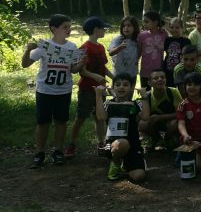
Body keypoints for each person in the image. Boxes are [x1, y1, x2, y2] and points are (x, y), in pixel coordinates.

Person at [22, 14, 85, 168]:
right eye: (65, 27)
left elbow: (73, 69)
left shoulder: (71, 47)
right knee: (43, 122)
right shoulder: (44, 46)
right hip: (45, 90)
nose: (69, 30)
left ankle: (58, 151)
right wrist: (27, 50)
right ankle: (39, 152)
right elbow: (25, 64)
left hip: (63, 90)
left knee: (61, 122)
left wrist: (81, 63)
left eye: (69, 27)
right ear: (53, 29)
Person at [68, 16, 113, 158]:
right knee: (80, 117)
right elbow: (82, 70)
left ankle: (101, 143)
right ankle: (71, 144)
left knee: (100, 117)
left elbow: (103, 67)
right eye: (102, 28)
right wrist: (95, 77)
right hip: (87, 89)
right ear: (96, 30)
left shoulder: (101, 47)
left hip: (100, 89)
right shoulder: (85, 48)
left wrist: (114, 77)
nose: (104, 30)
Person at [95, 73, 150, 182]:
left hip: (133, 144)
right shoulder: (108, 103)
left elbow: (145, 117)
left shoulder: (135, 104)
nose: (121, 87)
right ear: (113, 88)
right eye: (118, 84)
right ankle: (115, 163)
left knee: (139, 177)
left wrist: (144, 97)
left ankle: (127, 163)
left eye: (125, 85)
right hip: (113, 145)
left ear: (131, 88)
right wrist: (98, 95)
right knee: (122, 143)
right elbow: (101, 117)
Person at [176, 72, 201, 171]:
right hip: (189, 141)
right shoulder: (183, 104)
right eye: (189, 84)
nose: (192, 87)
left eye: (196, 84)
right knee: (197, 167)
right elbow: (181, 123)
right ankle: (181, 156)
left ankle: (200, 155)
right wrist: (185, 135)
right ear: (185, 87)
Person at [139, 68, 182, 148]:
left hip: (169, 122)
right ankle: (155, 139)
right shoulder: (147, 96)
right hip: (153, 123)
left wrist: (160, 117)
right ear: (149, 82)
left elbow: (180, 113)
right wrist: (143, 98)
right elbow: (144, 117)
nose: (160, 80)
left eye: (162, 77)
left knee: (176, 123)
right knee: (142, 124)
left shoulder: (173, 92)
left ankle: (168, 139)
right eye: (155, 78)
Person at [138, 11, 167, 89]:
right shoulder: (141, 36)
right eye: (144, 22)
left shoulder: (164, 34)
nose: (144, 24)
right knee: (145, 93)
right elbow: (139, 51)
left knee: (159, 92)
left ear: (156, 22)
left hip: (159, 71)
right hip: (145, 71)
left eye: (147, 22)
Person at [109, 16, 140, 88]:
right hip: (119, 73)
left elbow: (141, 50)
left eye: (129, 26)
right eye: (124, 26)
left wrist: (138, 58)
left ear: (135, 27)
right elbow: (111, 52)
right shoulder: (118, 39)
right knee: (117, 95)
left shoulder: (137, 40)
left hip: (132, 73)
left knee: (130, 95)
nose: (126, 28)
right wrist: (120, 47)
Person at [163, 17, 191, 84]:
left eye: (177, 27)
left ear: (182, 28)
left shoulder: (186, 41)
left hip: (181, 71)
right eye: (172, 27)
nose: (174, 29)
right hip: (167, 70)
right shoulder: (167, 40)